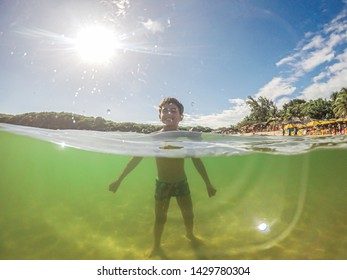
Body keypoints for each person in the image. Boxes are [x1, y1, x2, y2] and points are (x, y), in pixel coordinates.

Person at [109, 97, 217, 257]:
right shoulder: (154, 138)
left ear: (181, 116)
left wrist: (208, 183)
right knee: (160, 218)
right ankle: (156, 246)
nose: (168, 113)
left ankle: (190, 235)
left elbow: (196, 160)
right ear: (159, 116)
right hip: (162, 185)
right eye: (164, 110)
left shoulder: (186, 137)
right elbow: (136, 158)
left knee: (189, 214)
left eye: (173, 110)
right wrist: (119, 179)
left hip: (182, 183)